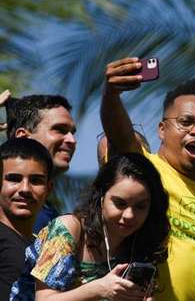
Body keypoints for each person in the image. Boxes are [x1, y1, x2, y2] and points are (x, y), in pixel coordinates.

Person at [100, 73, 195, 301]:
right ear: (162, 129)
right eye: (186, 122)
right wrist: (111, 94)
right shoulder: (144, 169)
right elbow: (119, 134)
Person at [11, 153, 169, 301]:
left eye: (140, 206)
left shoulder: (142, 245)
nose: (129, 215)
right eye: (120, 203)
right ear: (101, 197)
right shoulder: (68, 229)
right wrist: (98, 289)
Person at [6, 94, 77, 233]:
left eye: (72, 133)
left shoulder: (53, 217)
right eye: (59, 130)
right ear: (23, 137)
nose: (72, 140)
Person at [0, 138, 54, 297]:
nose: (25, 189)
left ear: (49, 189)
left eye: (36, 181)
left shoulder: (44, 248)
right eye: (14, 179)